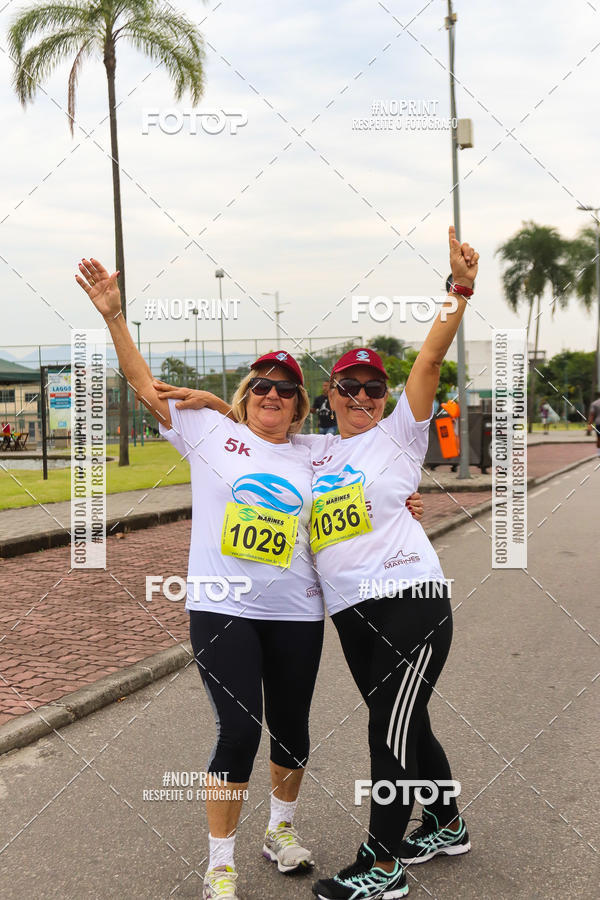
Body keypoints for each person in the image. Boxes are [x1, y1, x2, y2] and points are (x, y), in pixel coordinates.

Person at [74, 256, 424, 900]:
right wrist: (115, 317)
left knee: (293, 730)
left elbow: (370, 473)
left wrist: (405, 502)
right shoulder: (207, 431)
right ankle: (220, 863)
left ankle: (280, 829)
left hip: (299, 609)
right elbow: (141, 381)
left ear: (298, 406)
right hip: (221, 606)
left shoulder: (317, 452)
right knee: (238, 730)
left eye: (285, 388)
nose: (271, 393)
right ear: (247, 393)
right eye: (261, 383)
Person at [306, 226, 478, 900]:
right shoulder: (314, 454)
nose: (361, 397)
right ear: (331, 390)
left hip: (410, 601)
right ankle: (446, 821)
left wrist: (457, 291)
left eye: (372, 388)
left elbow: (430, 362)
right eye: (349, 386)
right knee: (409, 719)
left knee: (389, 727)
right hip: (351, 613)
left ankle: (382, 862)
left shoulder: (398, 435)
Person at [587, 390, 600, 456]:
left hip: (598, 423)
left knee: (598, 438)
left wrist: (589, 424)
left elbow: (592, 415)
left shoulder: (595, 403)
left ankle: (599, 453)